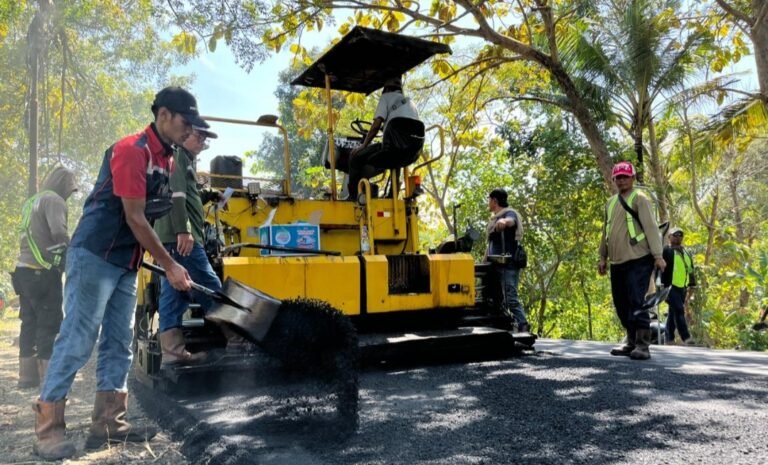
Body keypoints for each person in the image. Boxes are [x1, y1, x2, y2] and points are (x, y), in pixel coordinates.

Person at [32, 86, 202, 460]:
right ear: (163, 115)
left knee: (119, 341)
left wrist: (161, 258)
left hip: (126, 261)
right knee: (79, 337)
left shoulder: (168, 160)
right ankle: (48, 430)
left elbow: (151, 218)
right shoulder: (130, 150)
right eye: (186, 122)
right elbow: (135, 217)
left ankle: (109, 423)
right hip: (95, 254)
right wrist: (171, 265)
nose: (190, 130)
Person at [153, 125, 245, 366]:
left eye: (205, 139)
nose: (202, 141)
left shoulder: (183, 159)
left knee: (173, 293)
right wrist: (183, 230)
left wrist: (210, 195)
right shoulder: (177, 156)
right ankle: (237, 338)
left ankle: (172, 352)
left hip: (171, 238)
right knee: (209, 284)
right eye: (199, 136)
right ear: (184, 135)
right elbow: (175, 195)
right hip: (181, 238)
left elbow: (189, 193)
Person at [11, 166, 77, 389]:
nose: (69, 195)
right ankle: (50, 380)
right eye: (70, 189)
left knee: (29, 321)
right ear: (63, 184)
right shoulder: (54, 200)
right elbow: (58, 232)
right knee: (49, 324)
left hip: (23, 271)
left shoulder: (32, 201)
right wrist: (73, 251)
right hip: (42, 272)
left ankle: (27, 376)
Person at [598, 161, 665, 360]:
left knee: (637, 301)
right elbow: (605, 231)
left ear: (633, 178)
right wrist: (602, 257)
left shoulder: (640, 198)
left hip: (638, 259)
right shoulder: (610, 202)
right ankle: (631, 341)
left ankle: (643, 345)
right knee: (621, 303)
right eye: (618, 177)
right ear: (613, 179)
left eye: (625, 177)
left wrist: (658, 256)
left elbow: (651, 228)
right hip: (617, 261)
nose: (621, 180)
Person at [347, 75, 425, 199]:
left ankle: (353, 196)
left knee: (355, 157)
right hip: (412, 152)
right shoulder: (411, 103)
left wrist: (364, 145)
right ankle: (392, 195)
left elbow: (376, 125)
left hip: (392, 149)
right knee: (396, 158)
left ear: (386, 89)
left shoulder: (386, 97)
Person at [485, 188, 530, 333]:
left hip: (508, 265)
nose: (488, 202)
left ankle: (523, 325)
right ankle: (504, 326)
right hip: (495, 264)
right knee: (497, 298)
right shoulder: (494, 219)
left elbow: (511, 221)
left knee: (511, 298)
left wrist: (504, 221)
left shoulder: (508, 213)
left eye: (489, 199)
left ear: (495, 201)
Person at [661, 227, 696, 345]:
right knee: (679, 310)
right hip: (670, 286)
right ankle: (686, 337)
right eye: (675, 235)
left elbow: (690, 269)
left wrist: (692, 285)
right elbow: (659, 268)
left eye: (680, 235)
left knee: (673, 312)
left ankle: (669, 338)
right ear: (669, 237)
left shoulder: (686, 252)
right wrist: (659, 285)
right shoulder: (666, 251)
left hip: (682, 287)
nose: (678, 237)